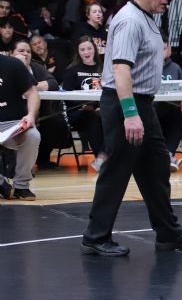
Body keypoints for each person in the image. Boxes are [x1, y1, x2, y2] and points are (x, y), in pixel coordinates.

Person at [81, 0, 182, 257]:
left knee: (157, 167)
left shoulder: (146, 18)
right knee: (117, 169)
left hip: (142, 104)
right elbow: (120, 69)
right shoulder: (129, 20)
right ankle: (96, 237)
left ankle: (168, 233)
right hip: (125, 103)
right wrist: (130, 113)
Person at [10, 39, 67, 171]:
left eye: (28, 51)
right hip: (11, 112)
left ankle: (42, 159)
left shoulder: (36, 67)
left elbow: (52, 83)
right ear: (11, 53)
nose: (25, 54)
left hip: (38, 112)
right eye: (21, 51)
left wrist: (32, 87)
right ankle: (14, 163)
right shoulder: (6, 67)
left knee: (55, 122)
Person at [62, 36, 107, 171]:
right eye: (82, 49)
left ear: (94, 49)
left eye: (89, 48)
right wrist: (87, 107)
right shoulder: (71, 70)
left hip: (102, 110)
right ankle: (101, 159)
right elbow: (67, 97)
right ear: (78, 51)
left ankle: (102, 157)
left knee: (116, 118)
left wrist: (97, 107)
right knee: (91, 117)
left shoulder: (104, 68)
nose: (86, 52)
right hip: (78, 112)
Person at [0, 51, 40, 201]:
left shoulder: (12, 64)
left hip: (13, 124)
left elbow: (32, 93)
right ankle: (1, 184)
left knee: (33, 136)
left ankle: (21, 186)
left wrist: (31, 115)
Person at [155, 37, 182, 172]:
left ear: (169, 50)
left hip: (172, 109)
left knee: (180, 117)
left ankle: (169, 154)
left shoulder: (176, 68)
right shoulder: (147, 67)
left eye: (164, 48)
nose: (162, 52)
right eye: (159, 49)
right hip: (152, 109)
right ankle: (159, 157)